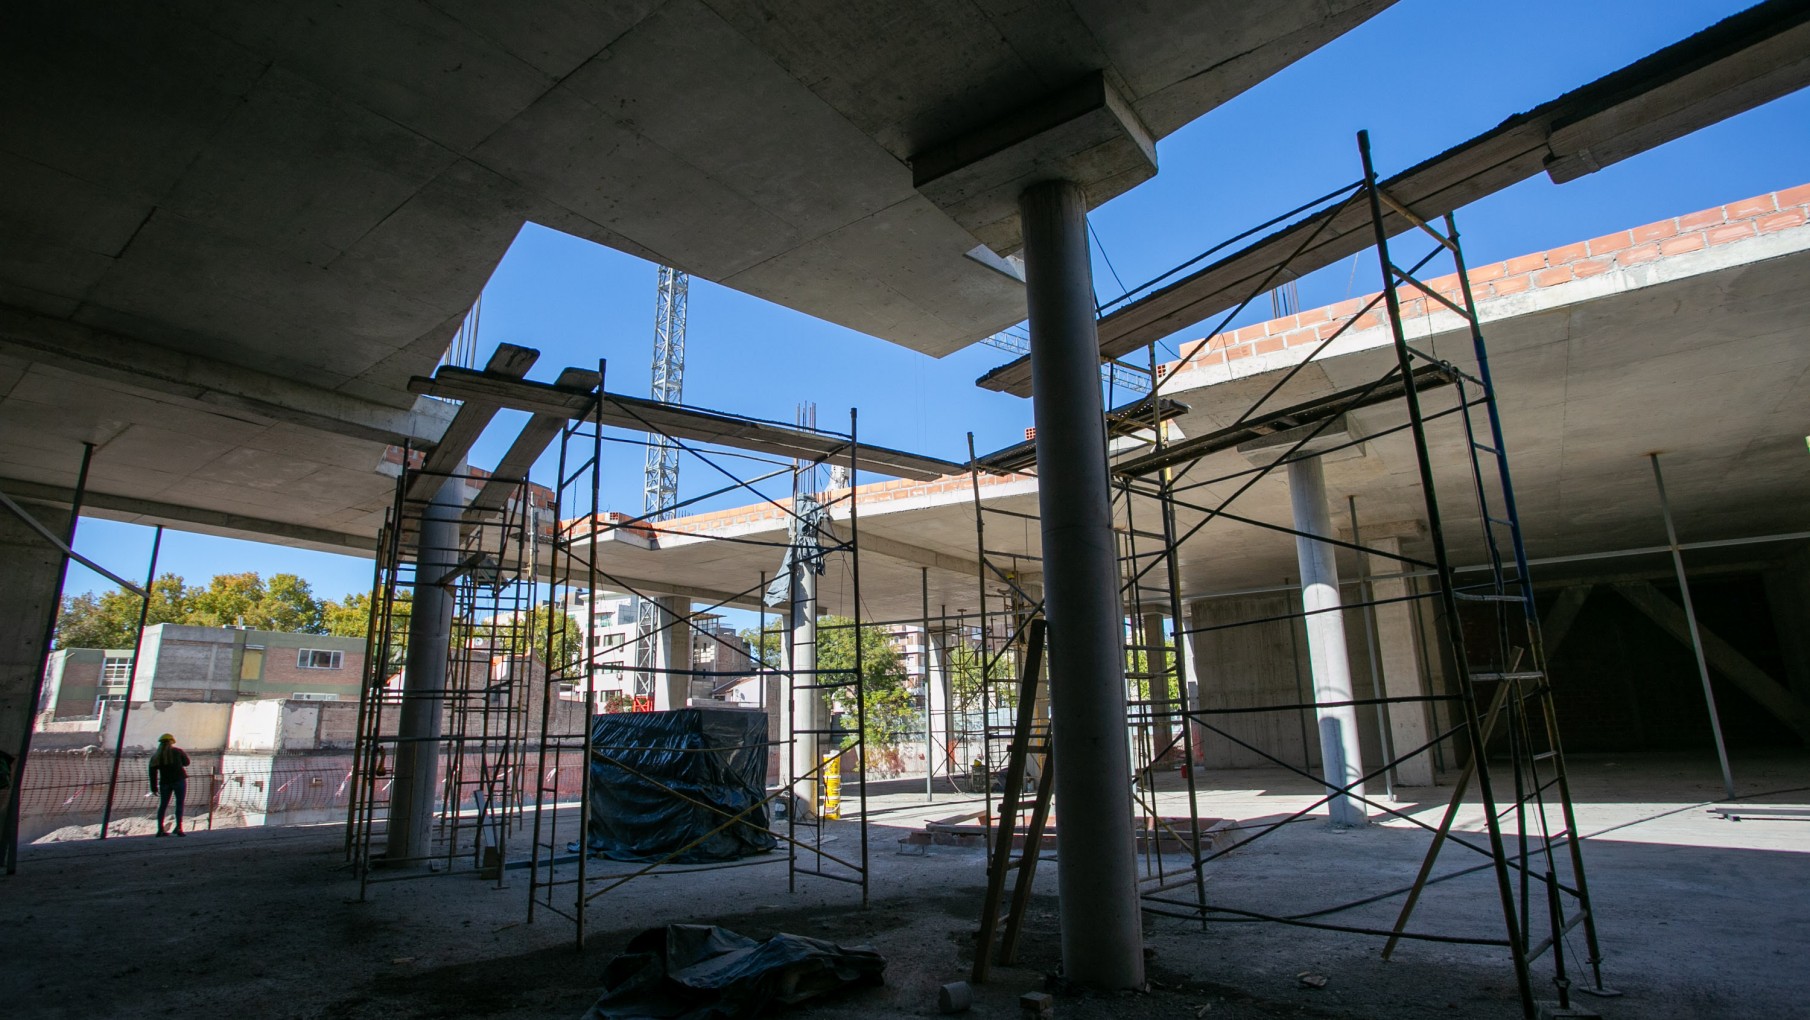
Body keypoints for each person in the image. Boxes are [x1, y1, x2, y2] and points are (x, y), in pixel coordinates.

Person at [148, 734, 190, 837]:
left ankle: (160, 829)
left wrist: (154, 788)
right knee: (179, 804)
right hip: (179, 780)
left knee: (163, 805)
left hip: (165, 782)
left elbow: (152, 773)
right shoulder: (177, 752)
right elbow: (186, 763)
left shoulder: (156, 756)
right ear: (171, 742)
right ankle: (179, 828)